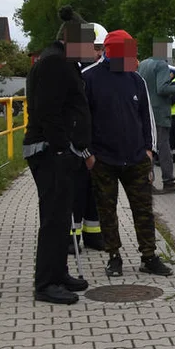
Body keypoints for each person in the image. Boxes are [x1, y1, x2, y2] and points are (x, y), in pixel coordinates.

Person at [82, 30, 172, 278]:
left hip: (136, 158)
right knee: (107, 210)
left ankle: (149, 256)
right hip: (103, 159)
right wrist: (88, 154)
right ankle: (114, 257)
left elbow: (147, 117)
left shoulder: (136, 80)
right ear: (109, 51)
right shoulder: (89, 78)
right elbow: (82, 119)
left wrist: (149, 150)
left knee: (143, 209)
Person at [23, 5, 96, 304]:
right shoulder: (55, 63)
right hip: (50, 152)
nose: (91, 49)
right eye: (88, 43)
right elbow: (48, 112)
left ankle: (59, 273)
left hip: (58, 152)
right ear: (70, 40)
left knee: (61, 216)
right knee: (54, 219)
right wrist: (62, 149)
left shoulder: (62, 61)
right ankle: (46, 284)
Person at [69, 22, 109, 253]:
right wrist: (84, 149)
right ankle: (71, 238)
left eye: (100, 49)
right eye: (94, 48)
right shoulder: (77, 75)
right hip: (76, 148)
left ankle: (93, 236)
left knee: (94, 195)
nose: (98, 54)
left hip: (95, 147)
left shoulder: (95, 75)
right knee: (75, 194)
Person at [138, 40, 175, 194]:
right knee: (163, 147)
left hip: (144, 110)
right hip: (159, 114)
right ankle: (168, 181)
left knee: (148, 147)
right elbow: (162, 88)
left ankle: (146, 181)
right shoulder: (161, 65)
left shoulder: (144, 64)